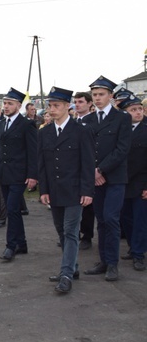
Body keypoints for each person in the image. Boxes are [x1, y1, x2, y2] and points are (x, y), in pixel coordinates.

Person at [38, 87, 95, 293]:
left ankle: (66, 274)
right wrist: (43, 190)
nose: (52, 110)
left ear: (67, 107)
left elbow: (88, 164)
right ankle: (73, 267)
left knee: (71, 231)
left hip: (74, 190)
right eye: (50, 106)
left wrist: (87, 191)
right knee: (61, 231)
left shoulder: (81, 131)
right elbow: (42, 164)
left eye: (57, 106)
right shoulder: (44, 132)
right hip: (54, 191)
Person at [81, 76, 132, 281]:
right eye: (94, 95)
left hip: (115, 177)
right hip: (95, 178)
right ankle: (103, 261)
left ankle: (112, 263)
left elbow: (122, 149)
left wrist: (100, 169)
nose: (98, 98)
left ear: (111, 96)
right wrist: (92, 172)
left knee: (111, 218)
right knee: (101, 220)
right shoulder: (87, 120)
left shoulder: (122, 118)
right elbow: (85, 150)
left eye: (102, 94)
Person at [0, 88, 38, 262]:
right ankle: (22, 243)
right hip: (4, 174)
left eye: (10, 104)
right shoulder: (0, 123)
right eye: (5, 103)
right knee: (12, 209)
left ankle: (11, 245)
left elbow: (33, 151)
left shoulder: (26, 124)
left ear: (18, 105)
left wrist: (33, 175)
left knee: (12, 208)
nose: (6, 107)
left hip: (19, 174)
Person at [117, 94, 147, 272]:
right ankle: (132, 246)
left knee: (140, 220)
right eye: (133, 110)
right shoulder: (120, 130)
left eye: (140, 109)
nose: (138, 112)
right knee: (125, 218)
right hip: (121, 181)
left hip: (141, 182)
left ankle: (138, 254)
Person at [73, 91, 96, 250]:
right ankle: (73, 234)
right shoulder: (72, 122)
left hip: (89, 168)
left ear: (89, 103)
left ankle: (87, 236)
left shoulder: (94, 122)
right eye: (76, 102)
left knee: (87, 206)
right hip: (73, 170)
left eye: (81, 101)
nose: (77, 104)